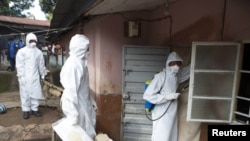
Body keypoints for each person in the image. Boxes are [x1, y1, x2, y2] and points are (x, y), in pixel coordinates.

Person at [53, 34, 97, 140]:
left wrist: (91, 101)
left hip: (85, 105)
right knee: (81, 136)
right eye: (87, 48)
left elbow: (83, 87)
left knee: (87, 134)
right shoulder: (73, 65)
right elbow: (70, 92)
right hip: (78, 110)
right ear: (80, 48)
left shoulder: (81, 63)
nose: (89, 50)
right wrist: (73, 115)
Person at [143, 51, 184, 141]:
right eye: (173, 63)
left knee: (171, 136)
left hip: (172, 112)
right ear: (168, 63)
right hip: (161, 113)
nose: (176, 65)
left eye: (178, 63)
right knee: (161, 136)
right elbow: (147, 95)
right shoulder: (161, 76)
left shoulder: (176, 77)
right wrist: (166, 97)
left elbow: (189, 72)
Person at [15, 33, 47, 119]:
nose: (33, 42)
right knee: (25, 94)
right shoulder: (21, 52)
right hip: (24, 77)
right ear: (27, 41)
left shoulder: (38, 52)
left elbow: (41, 64)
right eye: (31, 40)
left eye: (34, 40)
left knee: (35, 93)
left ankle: (35, 109)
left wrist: (43, 73)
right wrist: (21, 76)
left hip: (35, 76)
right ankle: (26, 110)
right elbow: (19, 65)